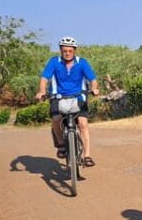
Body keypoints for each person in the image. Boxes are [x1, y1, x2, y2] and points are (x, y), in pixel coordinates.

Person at [35, 37, 100, 166]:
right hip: (58, 97)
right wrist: (41, 91)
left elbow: (92, 79)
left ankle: (87, 156)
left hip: (78, 98)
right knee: (56, 120)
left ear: (74, 50)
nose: (67, 53)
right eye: (65, 50)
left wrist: (94, 88)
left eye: (70, 51)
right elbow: (44, 79)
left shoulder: (82, 62)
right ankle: (61, 145)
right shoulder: (54, 62)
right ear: (60, 50)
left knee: (83, 124)